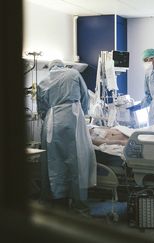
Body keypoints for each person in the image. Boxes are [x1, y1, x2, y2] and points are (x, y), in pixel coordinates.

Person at [37, 59, 96, 212]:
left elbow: (42, 108)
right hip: (73, 118)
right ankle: (78, 203)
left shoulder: (43, 81)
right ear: (63, 65)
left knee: (54, 161)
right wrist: (82, 114)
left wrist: (48, 116)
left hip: (52, 121)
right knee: (76, 160)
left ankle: (56, 200)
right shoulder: (73, 73)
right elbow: (85, 97)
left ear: (50, 68)